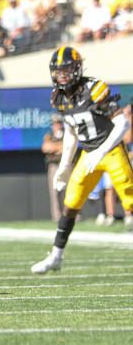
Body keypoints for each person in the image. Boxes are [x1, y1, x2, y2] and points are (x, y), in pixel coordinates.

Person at [31, 47, 133, 274]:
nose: (63, 75)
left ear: (77, 68)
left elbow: (123, 124)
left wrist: (102, 150)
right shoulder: (58, 97)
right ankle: (56, 255)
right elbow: (71, 132)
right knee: (71, 203)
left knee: (130, 198)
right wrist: (65, 166)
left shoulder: (93, 89)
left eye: (67, 69)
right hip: (88, 154)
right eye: (58, 71)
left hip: (112, 150)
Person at [42, 114, 64, 222]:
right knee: (54, 192)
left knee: (70, 191)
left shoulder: (67, 133)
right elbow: (46, 147)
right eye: (54, 123)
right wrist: (59, 147)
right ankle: (57, 217)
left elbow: (68, 147)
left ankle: (72, 215)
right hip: (54, 165)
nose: (56, 125)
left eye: (58, 123)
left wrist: (55, 147)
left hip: (66, 165)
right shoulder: (49, 136)